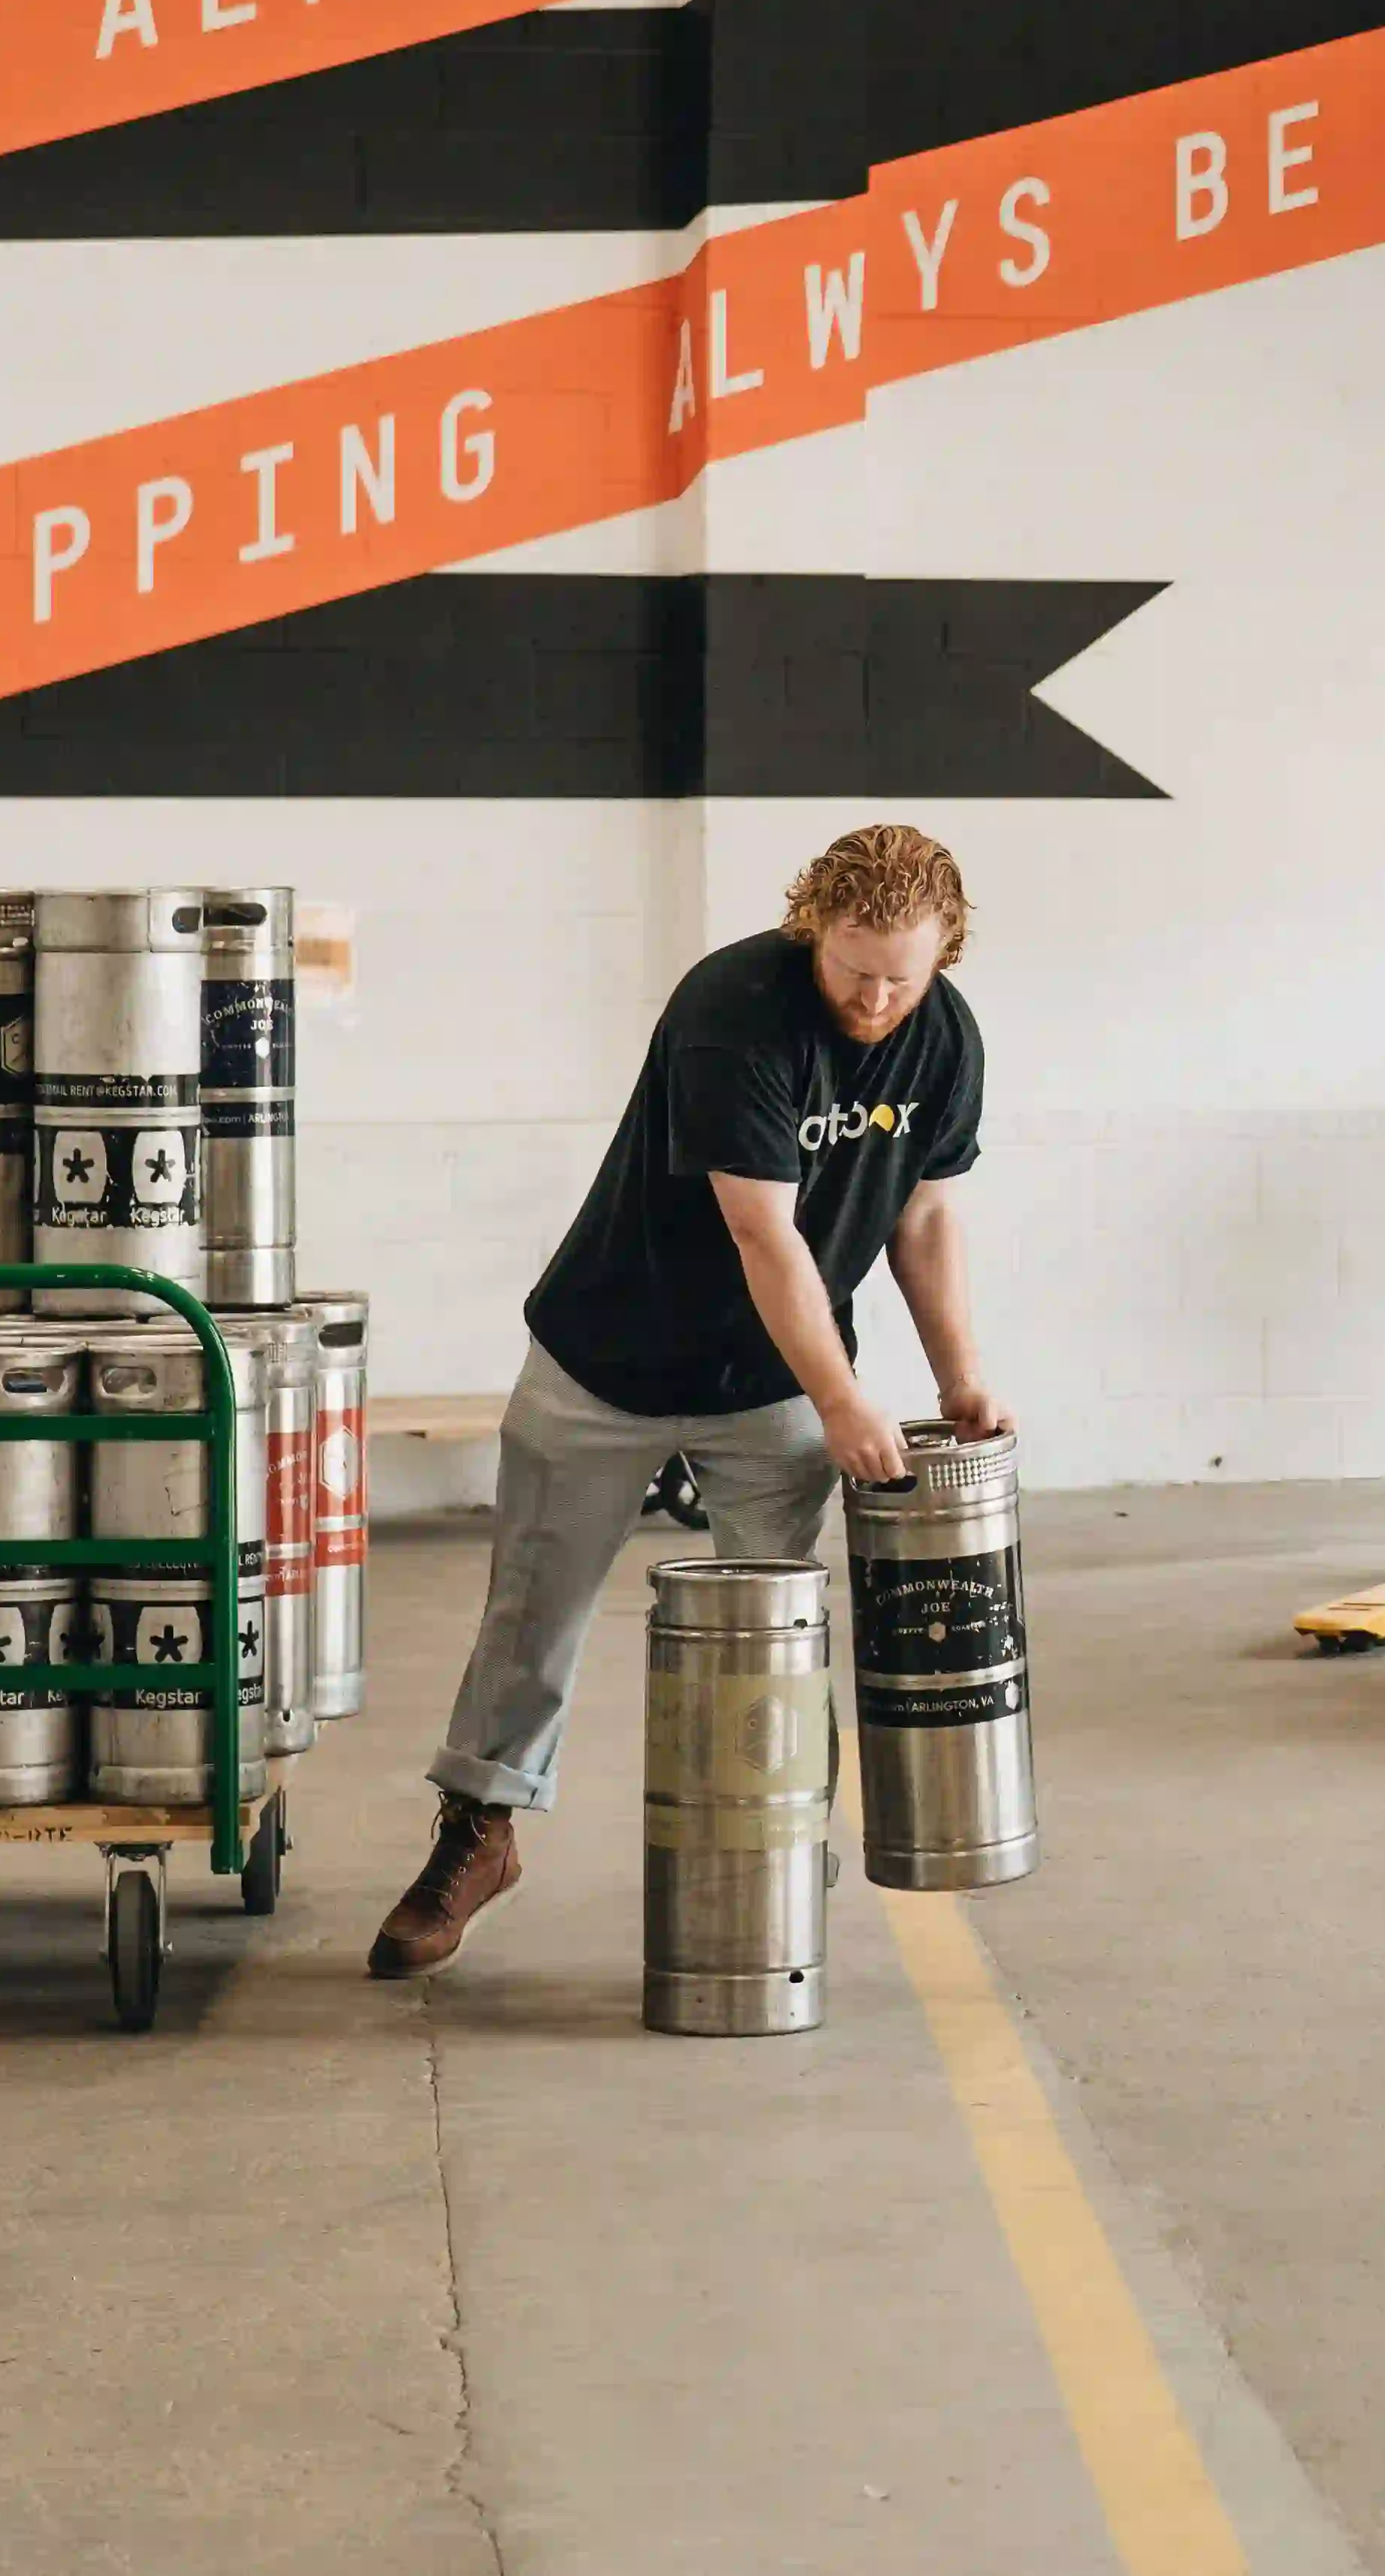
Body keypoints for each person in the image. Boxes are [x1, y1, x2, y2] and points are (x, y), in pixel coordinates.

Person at [369, 823, 1009, 1978]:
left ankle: (778, 1856)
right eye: (852, 971)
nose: (872, 1001)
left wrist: (959, 1375)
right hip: (605, 1362)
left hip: (771, 1384)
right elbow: (762, 1232)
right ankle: (479, 1832)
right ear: (813, 929)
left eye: (899, 980)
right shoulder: (736, 1008)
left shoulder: (945, 1038)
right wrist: (845, 1397)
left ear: (945, 954)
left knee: (780, 1629)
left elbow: (922, 1216)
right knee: (534, 1612)